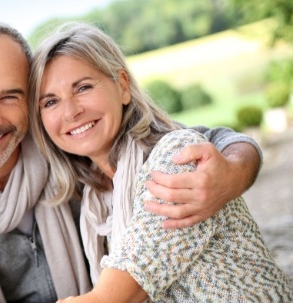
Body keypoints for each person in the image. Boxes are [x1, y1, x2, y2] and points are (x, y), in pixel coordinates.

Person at [0, 20, 263, 303]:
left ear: (28, 99)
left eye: (9, 96)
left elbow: (203, 142)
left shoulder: (66, 150)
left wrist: (233, 171)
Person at [28, 22, 293, 302]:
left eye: (83, 87)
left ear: (123, 87)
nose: (71, 111)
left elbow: (114, 293)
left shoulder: (176, 159)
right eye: (50, 102)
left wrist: (240, 164)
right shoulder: (95, 198)